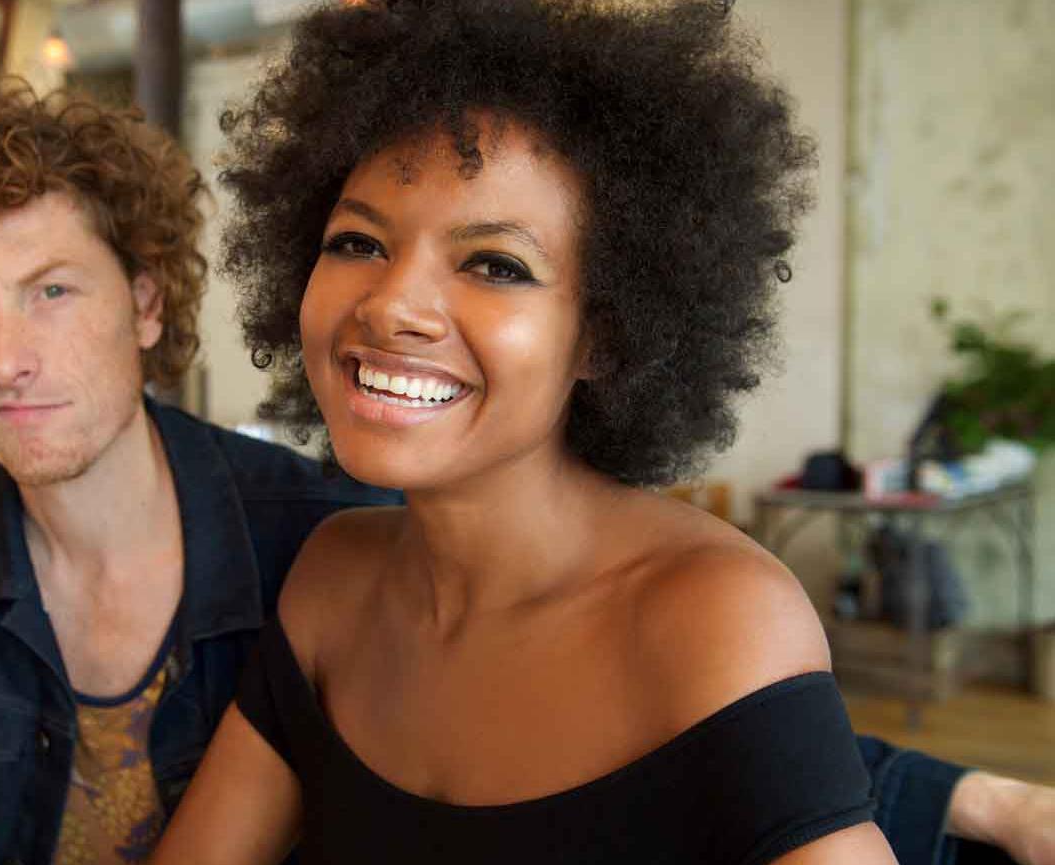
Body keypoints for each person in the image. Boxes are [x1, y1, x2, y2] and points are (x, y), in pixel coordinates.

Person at [0, 80, 1049, 865]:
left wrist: (963, 799)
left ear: (149, 303)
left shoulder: (304, 532)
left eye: (53, 293)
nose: (10, 355)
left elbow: (659, 717)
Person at [149, 1, 1055, 863]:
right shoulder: (331, 586)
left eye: (495, 264)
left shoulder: (711, 613)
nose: (392, 306)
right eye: (357, 242)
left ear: (608, 335)